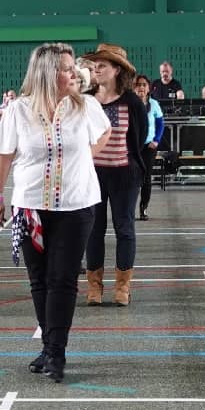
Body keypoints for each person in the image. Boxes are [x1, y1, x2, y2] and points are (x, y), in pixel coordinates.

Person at [0, 43, 111, 382]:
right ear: (46, 73)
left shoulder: (85, 106)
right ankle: (48, 345)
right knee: (39, 279)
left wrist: (85, 155)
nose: (73, 73)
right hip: (30, 207)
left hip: (76, 206)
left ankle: (57, 352)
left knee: (62, 279)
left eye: (73, 68)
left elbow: (106, 131)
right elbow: (3, 154)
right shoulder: (18, 110)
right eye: (65, 68)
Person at [83, 44, 148, 307]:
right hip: (92, 175)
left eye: (103, 66)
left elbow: (140, 137)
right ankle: (94, 287)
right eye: (95, 65)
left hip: (125, 175)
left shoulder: (132, 101)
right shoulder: (86, 99)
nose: (97, 69)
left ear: (116, 70)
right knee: (93, 231)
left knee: (125, 229)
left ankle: (122, 287)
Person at [132, 74, 165, 220]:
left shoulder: (154, 104)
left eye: (144, 85)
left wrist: (156, 140)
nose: (141, 87)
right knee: (131, 178)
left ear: (148, 88)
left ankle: (143, 208)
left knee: (146, 179)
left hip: (149, 147)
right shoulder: (130, 104)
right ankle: (128, 209)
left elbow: (160, 124)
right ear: (134, 87)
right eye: (138, 84)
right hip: (133, 147)